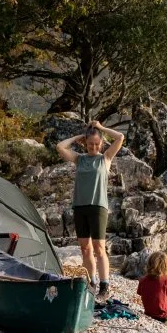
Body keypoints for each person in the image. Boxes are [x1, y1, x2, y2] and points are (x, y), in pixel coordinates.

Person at [56, 120, 124, 300]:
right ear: (85, 144)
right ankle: (91, 283)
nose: (93, 147)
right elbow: (60, 147)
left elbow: (120, 137)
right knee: (85, 248)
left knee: (99, 248)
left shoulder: (105, 159)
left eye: (96, 144)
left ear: (101, 144)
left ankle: (104, 286)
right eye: (90, 144)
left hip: (98, 207)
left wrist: (101, 128)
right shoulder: (80, 159)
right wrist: (80, 136)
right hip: (80, 206)